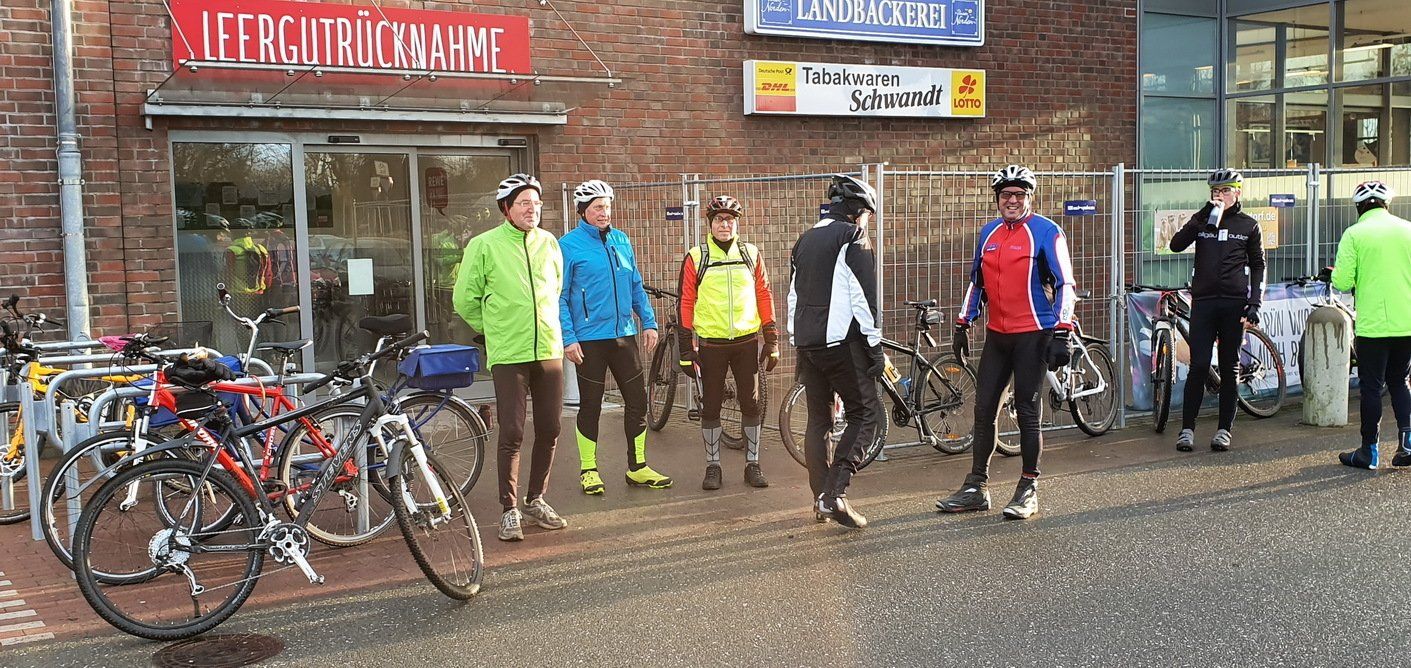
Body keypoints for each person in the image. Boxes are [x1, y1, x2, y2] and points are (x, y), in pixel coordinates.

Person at [937, 165, 1077, 520]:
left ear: (1029, 197)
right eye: (1005, 195)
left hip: (1034, 333)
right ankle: (976, 487)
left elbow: (1065, 284)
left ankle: (1028, 488)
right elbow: (978, 283)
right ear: (997, 199)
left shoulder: (1046, 231)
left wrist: (1062, 331)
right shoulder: (989, 233)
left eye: (1019, 194)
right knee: (984, 409)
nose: (1011, 200)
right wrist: (963, 322)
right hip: (998, 335)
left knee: (1027, 411)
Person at [452, 173, 569, 542]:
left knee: (550, 427)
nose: (532, 209)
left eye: (536, 203)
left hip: (547, 347)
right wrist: (492, 329)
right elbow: (464, 299)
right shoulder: (484, 245)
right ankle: (509, 509)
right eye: (524, 203)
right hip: (508, 352)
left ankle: (536, 499)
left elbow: (556, 289)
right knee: (513, 431)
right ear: (506, 208)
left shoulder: (549, 243)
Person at [559, 179, 672, 494]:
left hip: (624, 335)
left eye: (607, 207)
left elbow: (635, 285)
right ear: (582, 211)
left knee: (637, 401)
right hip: (589, 339)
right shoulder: (568, 245)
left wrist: (648, 322)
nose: (603, 213)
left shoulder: (621, 240)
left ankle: (638, 467)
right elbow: (561, 296)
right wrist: (568, 337)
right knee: (590, 405)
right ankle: (588, 470)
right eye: (597, 207)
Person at [786, 174, 883, 529]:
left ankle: (820, 499)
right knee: (865, 414)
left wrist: (796, 338)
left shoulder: (805, 239)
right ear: (859, 211)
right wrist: (874, 346)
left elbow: (793, 295)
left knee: (819, 421)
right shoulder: (853, 236)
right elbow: (864, 297)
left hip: (807, 343)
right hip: (841, 343)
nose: (867, 221)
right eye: (867, 214)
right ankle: (834, 494)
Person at [677, 195, 778, 491]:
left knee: (751, 404)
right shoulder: (697, 257)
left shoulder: (750, 253)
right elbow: (686, 301)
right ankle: (713, 467)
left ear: (737, 224)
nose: (725, 225)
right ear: (710, 224)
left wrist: (771, 339)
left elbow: (764, 294)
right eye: (719, 219)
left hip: (746, 342)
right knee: (711, 407)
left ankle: (752, 464)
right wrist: (686, 347)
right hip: (711, 344)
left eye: (730, 220)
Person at [1167, 168, 1266, 453]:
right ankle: (1187, 429)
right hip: (1204, 302)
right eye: (1215, 191)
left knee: (1229, 367)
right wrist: (1200, 217)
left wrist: (1254, 302)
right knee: (1199, 365)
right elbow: (1176, 245)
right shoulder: (1203, 221)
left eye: (1225, 190)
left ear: (1238, 192)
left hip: (1234, 304)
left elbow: (1258, 265)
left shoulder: (1249, 225)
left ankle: (1224, 429)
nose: (1219, 195)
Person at [1328, 181, 1411, 469]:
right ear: (1387, 204)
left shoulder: (1354, 234)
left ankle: (1369, 452)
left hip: (1373, 326)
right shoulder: (1407, 229)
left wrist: (1336, 274)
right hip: (1406, 322)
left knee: (1372, 387)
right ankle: (1407, 443)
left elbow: (1342, 281)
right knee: (1400, 381)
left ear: (1359, 207)